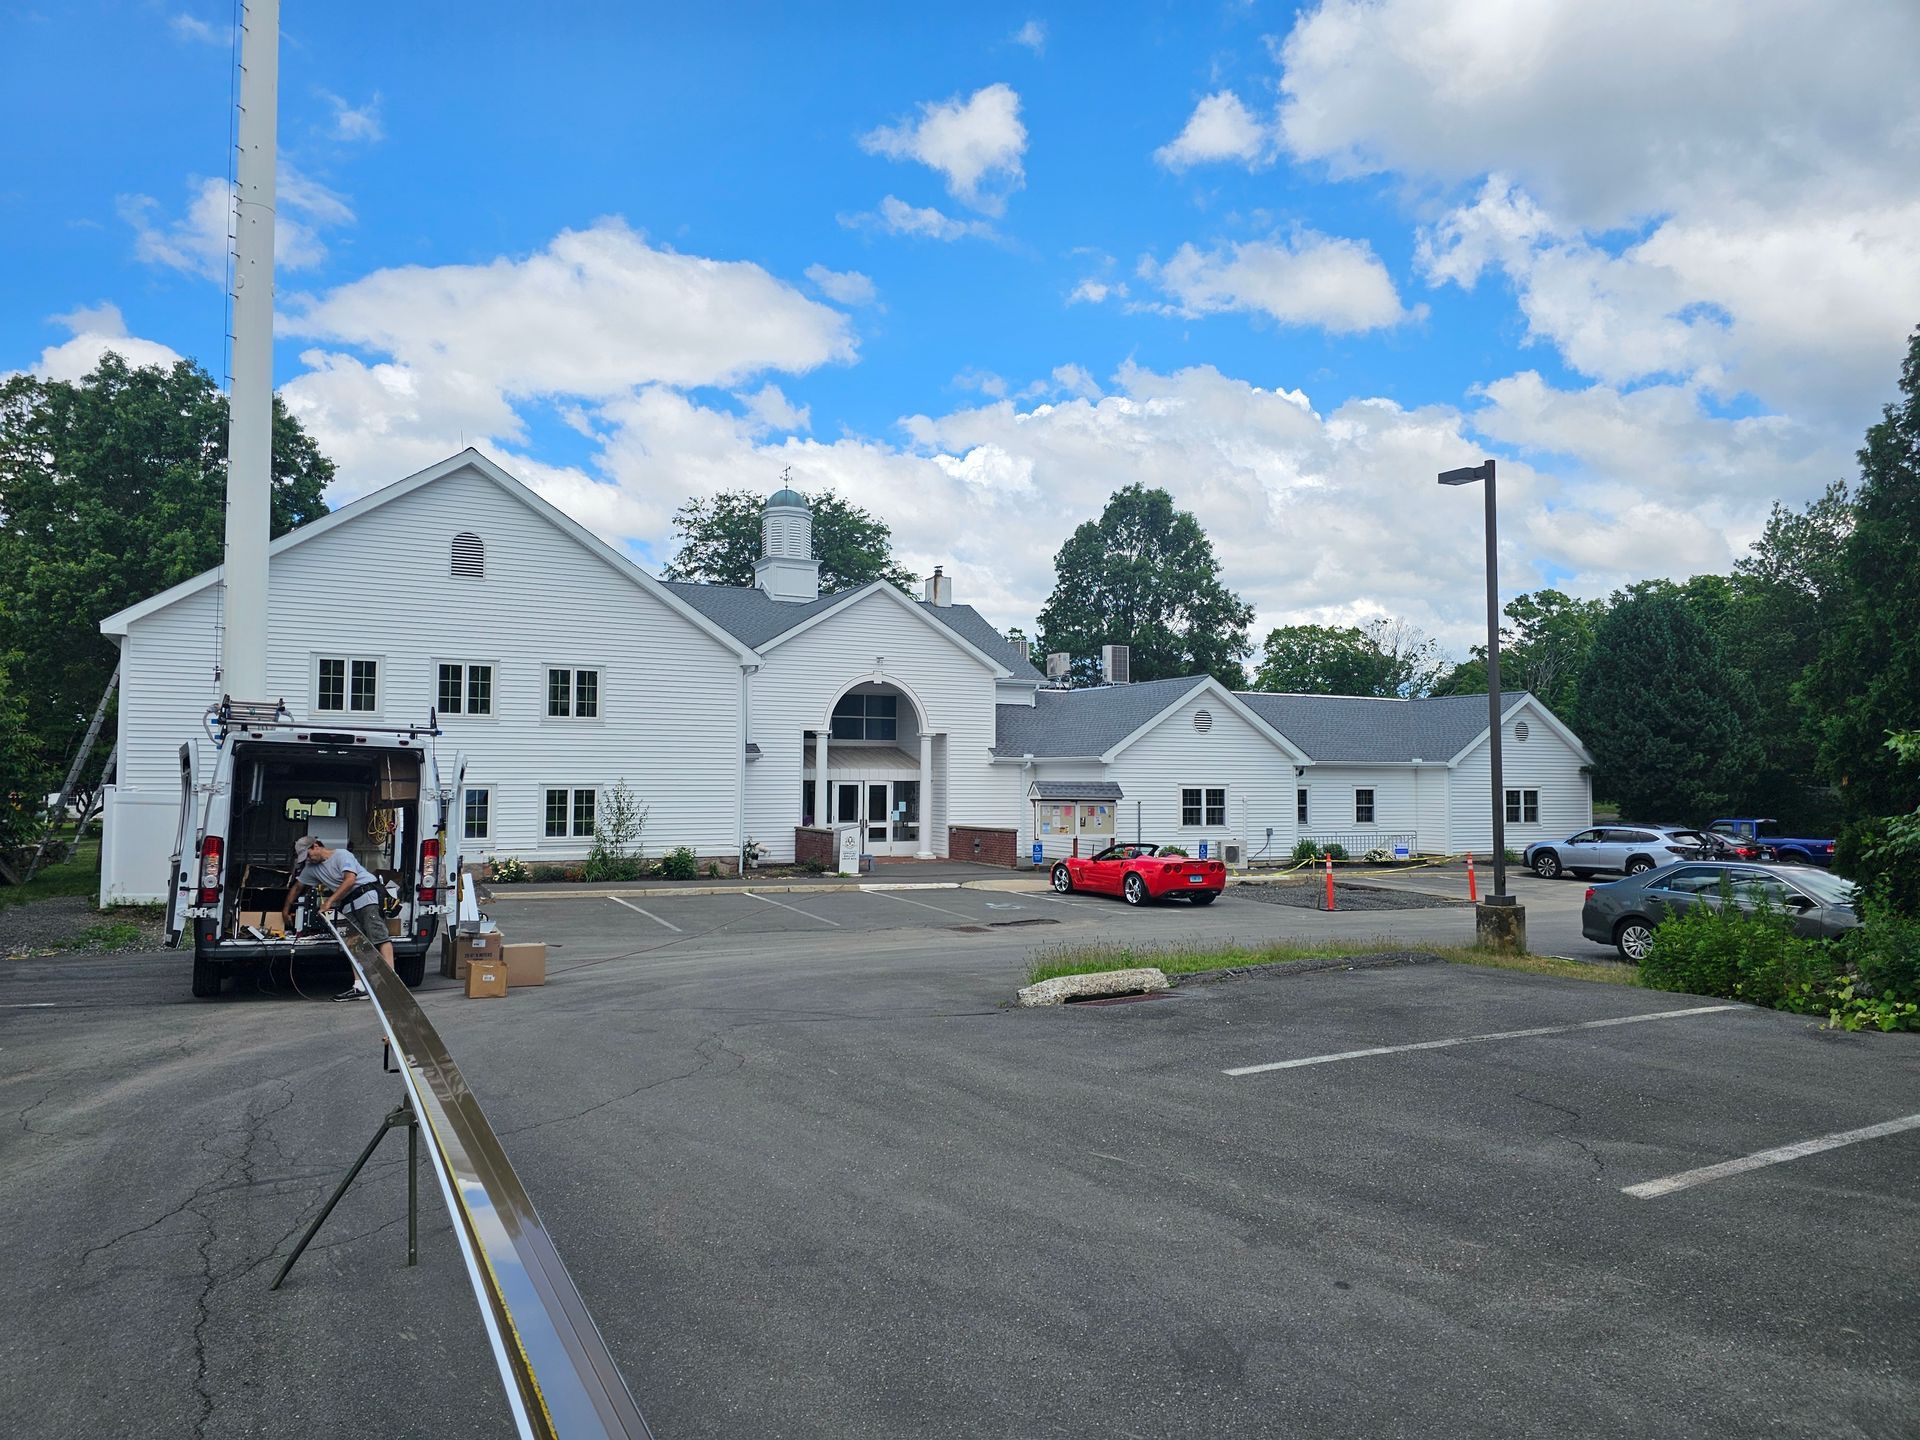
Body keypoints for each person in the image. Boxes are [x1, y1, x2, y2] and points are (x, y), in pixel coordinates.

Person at [282, 835, 393, 1002]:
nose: (309, 860)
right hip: (348, 904)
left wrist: (329, 901)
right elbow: (298, 887)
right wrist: (285, 909)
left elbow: (350, 880)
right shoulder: (310, 868)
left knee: (379, 937)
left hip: (366, 895)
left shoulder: (342, 855)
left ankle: (390, 984)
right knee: (354, 943)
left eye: (309, 855)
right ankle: (360, 987)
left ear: (316, 846)